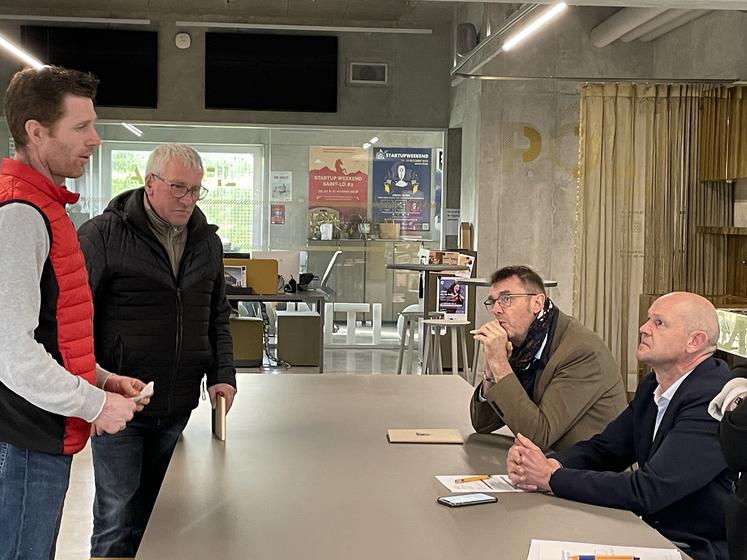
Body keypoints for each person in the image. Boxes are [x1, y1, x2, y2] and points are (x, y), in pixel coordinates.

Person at [0, 65, 147, 560]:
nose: (95, 139)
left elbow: (49, 332)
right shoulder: (20, 216)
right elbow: (13, 353)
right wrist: (95, 405)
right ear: (35, 132)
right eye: (80, 127)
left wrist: (100, 379)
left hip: (36, 431)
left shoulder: (45, 207)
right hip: (21, 439)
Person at [77, 143, 237, 558]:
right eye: (179, 187)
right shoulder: (102, 235)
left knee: (160, 518)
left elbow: (217, 314)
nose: (188, 199)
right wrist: (89, 394)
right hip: (119, 405)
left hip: (179, 401)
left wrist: (223, 374)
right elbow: (73, 321)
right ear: (150, 184)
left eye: (196, 190)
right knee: (116, 516)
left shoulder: (207, 242)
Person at [507, 292, 735, 560]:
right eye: (648, 319)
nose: (644, 328)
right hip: (650, 533)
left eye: (659, 323)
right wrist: (546, 463)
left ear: (694, 342)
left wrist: (551, 477)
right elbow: (606, 450)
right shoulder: (654, 385)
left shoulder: (714, 398)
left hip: (693, 548)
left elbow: (649, 490)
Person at [470, 265, 626, 451]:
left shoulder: (580, 352)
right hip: (550, 463)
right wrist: (490, 372)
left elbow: (539, 436)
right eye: (493, 302)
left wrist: (500, 364)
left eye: (506, 299)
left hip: (592, 472)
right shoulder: (524, 345)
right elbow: (482, 423)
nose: (496, 309)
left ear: (537, 303)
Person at [709, 367, 747, 560]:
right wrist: (738, 396)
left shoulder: (701, 386)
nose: (645, 333)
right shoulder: (650, 388)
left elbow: (738, 440)